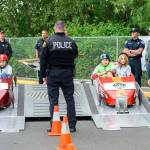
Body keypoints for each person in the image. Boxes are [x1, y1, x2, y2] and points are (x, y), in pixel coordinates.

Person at [40, 21, 78, 132]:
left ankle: (54, 125)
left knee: (53, 100)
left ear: (54, 28)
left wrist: (43, 75)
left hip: (53, 73)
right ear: (64, 28)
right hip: (67, 74)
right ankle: (71, 126)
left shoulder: (48, 41)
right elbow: (75, 54)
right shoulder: (71, 41)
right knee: (69, 99)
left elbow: (43, 60)